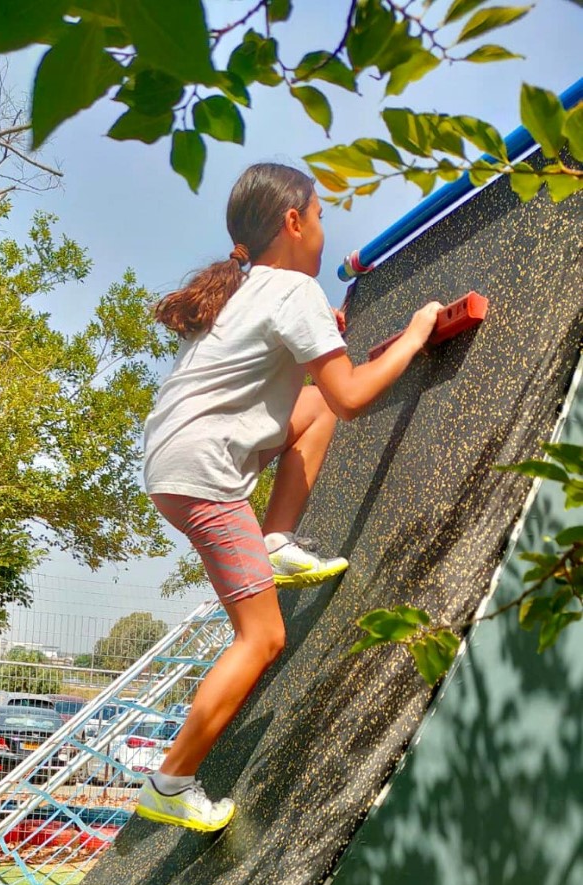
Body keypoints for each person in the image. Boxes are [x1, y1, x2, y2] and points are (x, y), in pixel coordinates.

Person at [133, 161, 443, 835]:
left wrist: (319, 335)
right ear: (293, 222)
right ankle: (171, 782)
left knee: (312, 408)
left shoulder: (247, 292)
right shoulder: (292, 292)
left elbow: (308, 393)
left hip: (174, 460)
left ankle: (275, 539)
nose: (327, 229)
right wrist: (418, 334)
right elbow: (355, 396)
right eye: (323, 214)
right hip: (204, 473)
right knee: (263, 635)